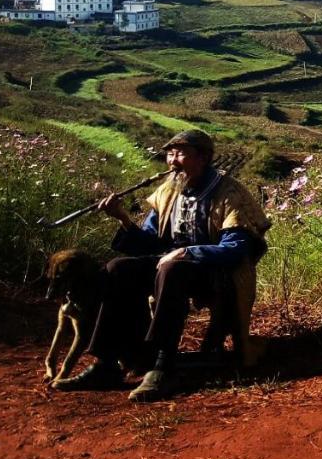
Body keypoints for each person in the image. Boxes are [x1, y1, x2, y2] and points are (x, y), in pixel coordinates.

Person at [54, 129, 269, 402]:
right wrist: (122, 218)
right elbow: (151, 244)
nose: (172, 161)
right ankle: (108, 363)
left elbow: (236, 250)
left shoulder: (229, 193)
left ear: (203, 158)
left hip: (216, 272)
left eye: (180, 154)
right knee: (118, 268)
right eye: (169, 154)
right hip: (171, 265)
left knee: (171, 269)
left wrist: (187, 252)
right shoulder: (169, 190)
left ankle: (162, 365)